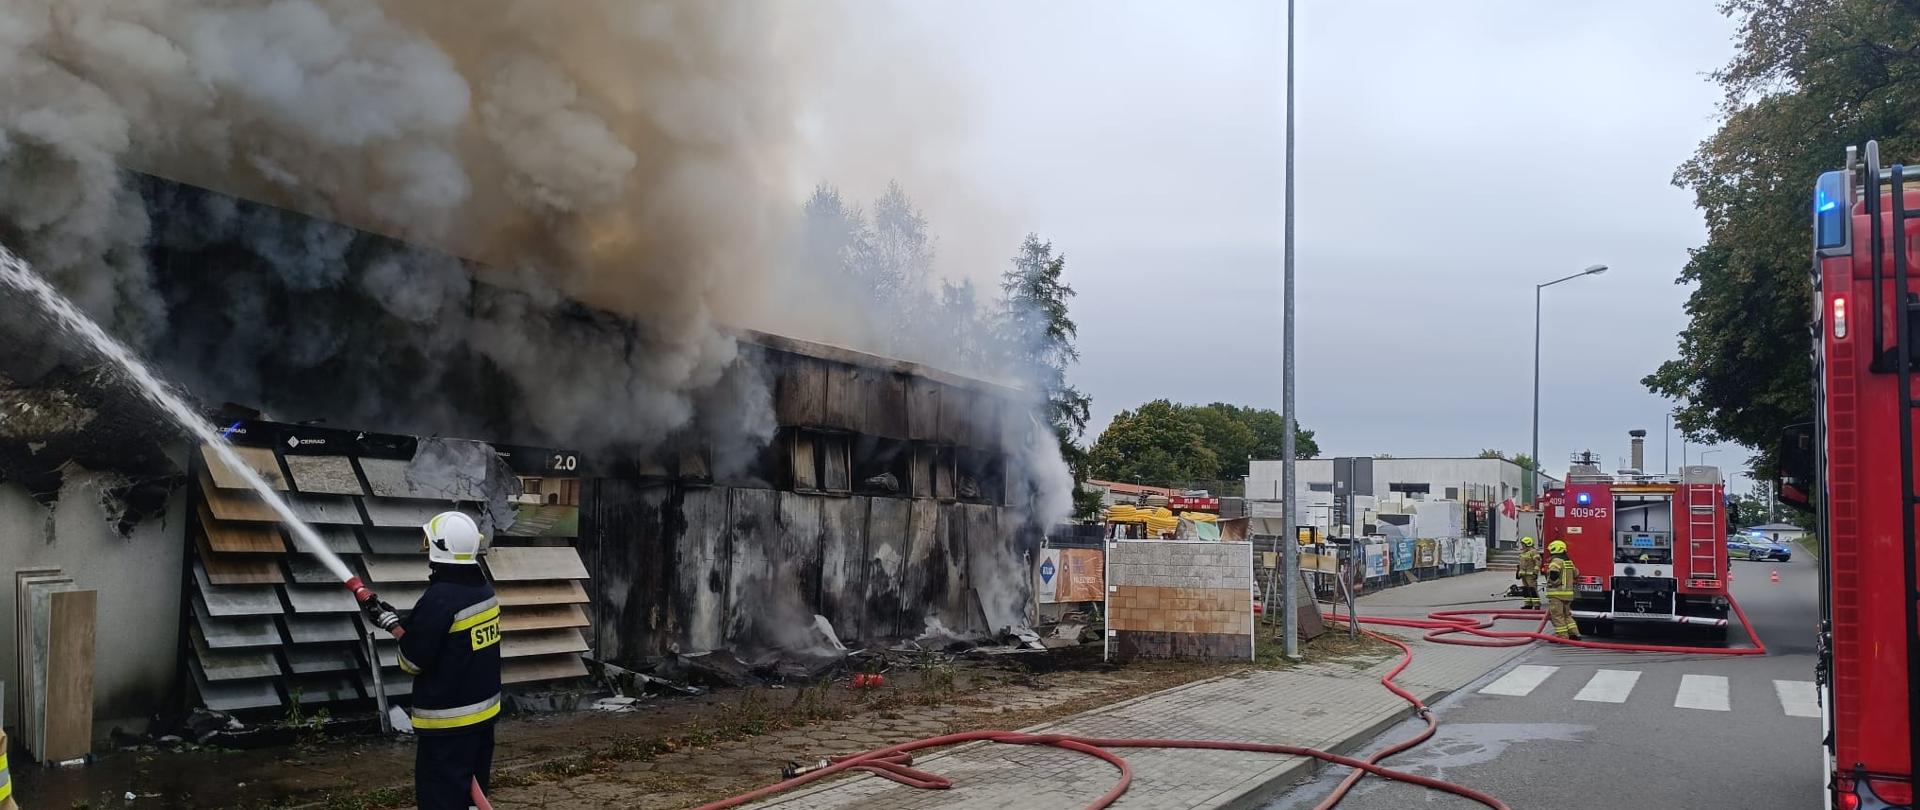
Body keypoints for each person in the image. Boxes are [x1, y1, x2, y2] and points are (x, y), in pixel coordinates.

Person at [365, 511, 503, 810]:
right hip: (481, 718)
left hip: (448, 725)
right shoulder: (483, 589)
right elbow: (451, 637)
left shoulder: (439, 598)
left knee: (441, 801)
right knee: (468, 801)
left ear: (438, 547)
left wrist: (400, 631)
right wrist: (400, 621)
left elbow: (412, 661)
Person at [1545, 539, 1581, 640]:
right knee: (1567, 615)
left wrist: (1553, 583)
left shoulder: (1555, 562)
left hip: (1557, 594)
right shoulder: (1568, 562)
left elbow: (1553, 575)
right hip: (1568, 594)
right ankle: (1574, 634)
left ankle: (1562, 636)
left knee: (1557, 616)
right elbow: (1576, 573)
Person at [1515, 536, 1541, 610]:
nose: (1522, 545)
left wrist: (1535, 572)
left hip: (1531, 575)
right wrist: (1518, 572)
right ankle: (1528, 604)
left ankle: (1536, 605)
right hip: (1523, 575)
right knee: (1526, 590)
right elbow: (1520, 564)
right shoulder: (1523, 552)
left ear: (1527, 544)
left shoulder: (1533, 552)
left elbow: (1538, 563)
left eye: (1523, 544)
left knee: (1532, 590)